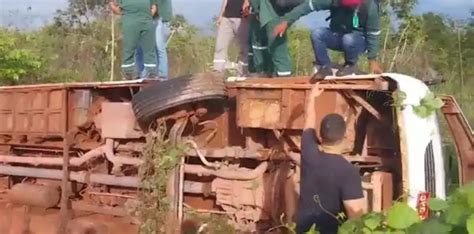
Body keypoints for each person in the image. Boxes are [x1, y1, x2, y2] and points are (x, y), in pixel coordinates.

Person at [298, 82, 366, 233]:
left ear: (320, 136)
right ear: (344, 137)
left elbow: (308, 122)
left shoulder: (309, 154)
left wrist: (312, 97)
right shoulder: (349, 172)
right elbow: (356, 217)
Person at [273, 0, 384, 80]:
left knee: (349, 39)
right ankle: (325, 66)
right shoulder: (333, 1)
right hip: (337, 35)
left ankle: (350, 65)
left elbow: (373, 34)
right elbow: (309, 6)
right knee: (317, 33)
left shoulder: (370, 6)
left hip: (358, 40)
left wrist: (372, 60)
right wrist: (287, 20)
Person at [109, 0, 158, 80]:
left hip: (146, 21)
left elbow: (154, 6)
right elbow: (113, 5)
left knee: (150, 48)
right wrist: (126, 15)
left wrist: (148, 15)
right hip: (130, 21)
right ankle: (128, 73)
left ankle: (151, 72)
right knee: (129, 47)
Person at [136, 0, 173, 80]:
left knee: (158, 47)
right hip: (148, 19)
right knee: (140, 49)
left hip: (159, 20)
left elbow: (154, 8)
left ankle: (162, 76)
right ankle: (143, 75)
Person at [212, 0, 250, 76]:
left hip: (242, 18)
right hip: (227, 17)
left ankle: (243, 73)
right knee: (220, 45)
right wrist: (220, 16)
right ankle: (218, 71)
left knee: (244, 48)